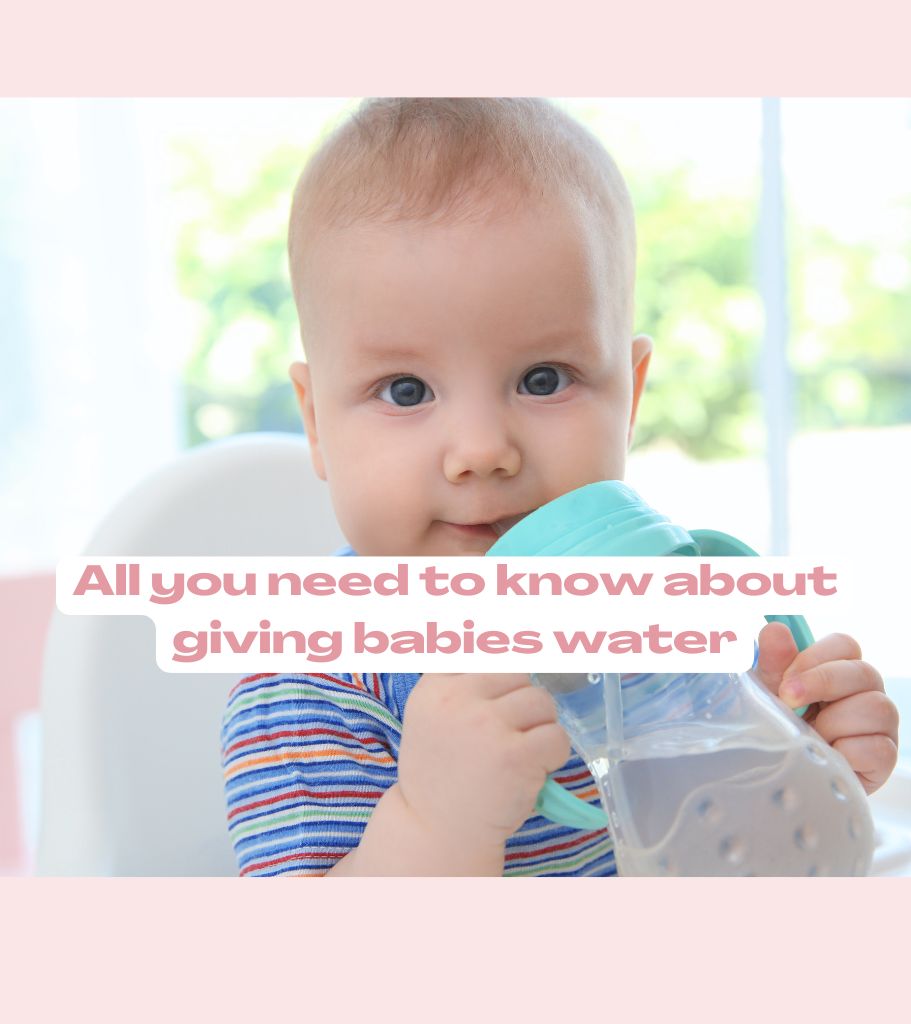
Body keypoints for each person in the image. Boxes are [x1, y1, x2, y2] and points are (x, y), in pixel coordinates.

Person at [220, 98, 899, 876]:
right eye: (405, 391)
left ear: (632, 396)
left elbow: (739, 863)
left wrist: (799, 761)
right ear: (315, 425)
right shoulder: (309, 684)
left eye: (543, 379)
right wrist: (430, 823)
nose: (481, 451)